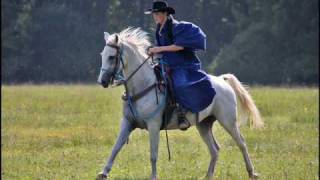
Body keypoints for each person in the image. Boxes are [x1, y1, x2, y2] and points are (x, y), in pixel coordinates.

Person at [145, 1, 216, 130]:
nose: (154, 17)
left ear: (165, 13)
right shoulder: (158, 29)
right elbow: (161, 50)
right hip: (166, 64)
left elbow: (179, 46)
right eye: (153, 14)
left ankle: (182, 114)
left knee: (180, 85)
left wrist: (158, 49)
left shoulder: (177, 27)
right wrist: (153, 52)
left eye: (157, 14)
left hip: (182, 65)